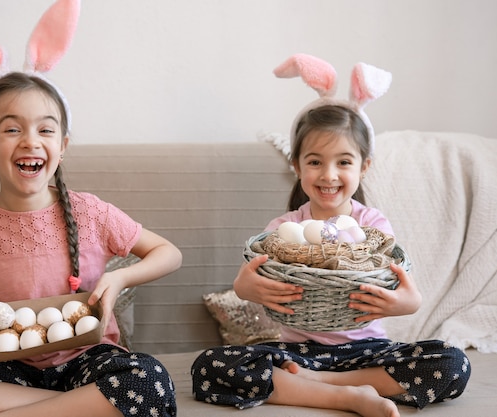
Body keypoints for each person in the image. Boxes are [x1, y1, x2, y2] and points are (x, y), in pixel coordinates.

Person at [0, 2, 181, 417]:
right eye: (11, 128)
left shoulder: (90, 212)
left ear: (63, 146)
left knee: (148, 379)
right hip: (5, 368)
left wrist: (120, 278)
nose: (30, 140)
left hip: (86, 362)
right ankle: (75, 410)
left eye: (45, 129)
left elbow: (169, 253)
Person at [191, 54, 470, 417]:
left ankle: (323, 387)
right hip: (300, 352)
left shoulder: (373, 226)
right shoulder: (283, 227)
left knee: (453, 364)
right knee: (210, 368)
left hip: (367, 351)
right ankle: (350, 397)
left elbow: (408, 293)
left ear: (364, 166)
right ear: (296, 165)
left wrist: (402, 304)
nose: (329, 175)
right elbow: (252, 281)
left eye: (343, 161)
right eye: (315, 161)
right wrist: (246, 286)